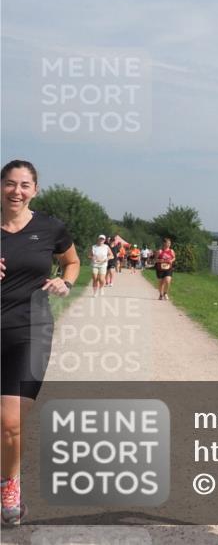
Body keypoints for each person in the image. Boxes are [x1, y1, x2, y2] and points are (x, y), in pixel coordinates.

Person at [1, 159, 79, 526]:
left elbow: (72, 262)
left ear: (35, 190)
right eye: (10, 184)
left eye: (24, 185)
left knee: (10, 422)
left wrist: (66, 281)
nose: (17, 191)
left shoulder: (50, 227)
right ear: (1, 187)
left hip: (30, 331)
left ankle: (9, 487)